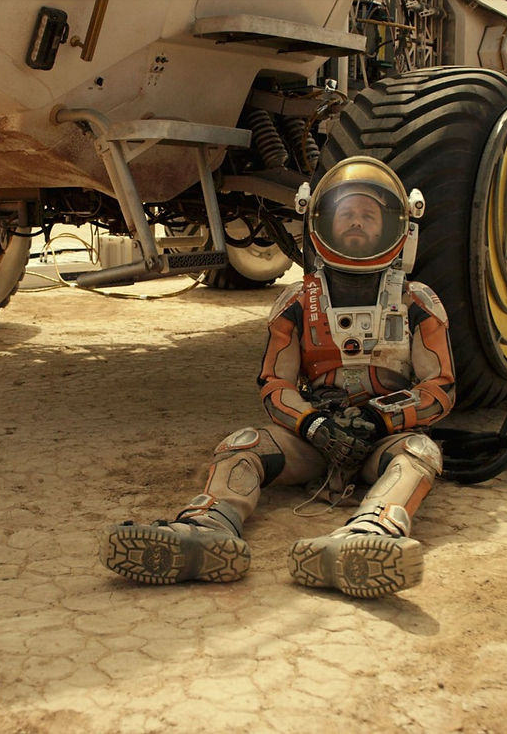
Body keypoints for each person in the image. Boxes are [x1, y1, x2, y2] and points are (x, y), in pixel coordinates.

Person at [99, 156, 455, 598]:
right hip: (314, 439)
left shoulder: (418, 301)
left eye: (369, 215)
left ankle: (372, 533)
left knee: (420, 450)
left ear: (397, 227)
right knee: (243, 444)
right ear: (320, 223)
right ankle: (206, 528)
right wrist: (314, 424)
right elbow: (274, 384)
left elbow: (438, 388)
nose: (357, 224)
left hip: (380, 441)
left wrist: (379, 421)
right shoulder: (296, 302)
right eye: (347, 214)